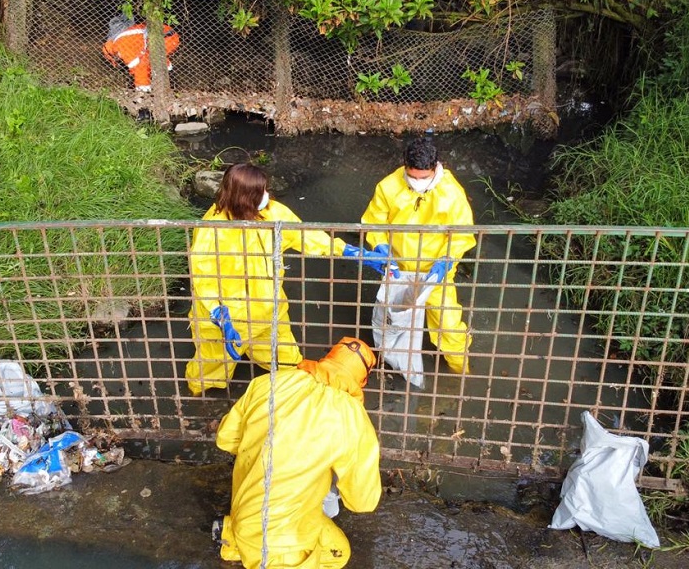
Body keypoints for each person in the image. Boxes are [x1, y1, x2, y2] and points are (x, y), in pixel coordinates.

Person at [186, 163, 394, 396]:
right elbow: (203, 278)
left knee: (287, 361)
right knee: (211, 369)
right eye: (261, 192)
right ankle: (198, 398)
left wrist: (348, 251)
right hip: (230, 321)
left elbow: (306, 236)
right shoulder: (212, 230)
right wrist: (219, 315)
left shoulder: (271, 213)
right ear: (246, 198)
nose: (267, 195)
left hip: (269, 311)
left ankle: (292, 391)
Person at [213, 337, 382, 569]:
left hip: (243, 507)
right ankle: (250, 549)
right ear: (362, 380)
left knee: (337, 547)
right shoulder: (353, 418)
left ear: (327, 358)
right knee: (337, 556)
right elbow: (363, 501)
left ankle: (234, 537)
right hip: (281, 542)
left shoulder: (269, 382)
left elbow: (226, 440)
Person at [361, 136, 476, 374]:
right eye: (412, 176)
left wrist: (446, 261)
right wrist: (381, 247)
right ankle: (393, 365)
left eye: (424, 178)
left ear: (435, 168)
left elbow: (463, 234)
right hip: (399, 268)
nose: (417, 182)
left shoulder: (452, 194)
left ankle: (461, 370)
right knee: (392, 320)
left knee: (449, 325)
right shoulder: (388, 187)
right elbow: (374, 223)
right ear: (405, 167)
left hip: (435, 272)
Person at [101, 15, 180, 93]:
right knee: (150, 58)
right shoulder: (120, 39)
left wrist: (141, 88)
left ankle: (144, 90)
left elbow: (138, 66)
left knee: (143, 63)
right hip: (167, 35)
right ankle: (170, 81)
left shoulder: (120, 47)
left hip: (165, 38)